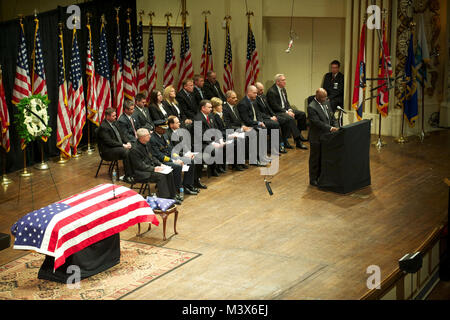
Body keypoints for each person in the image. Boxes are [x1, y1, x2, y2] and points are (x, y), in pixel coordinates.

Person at [129, 128, 181, 204]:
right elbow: (139, 166)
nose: (150, 136)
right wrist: (154, 169)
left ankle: (172, 196)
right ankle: (165, 200)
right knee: (161, 176)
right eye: (148, 135)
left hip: (149, 168)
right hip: (140, 172)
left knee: (168, 171)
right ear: (142, 138)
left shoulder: (146, 144)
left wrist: (161, 164)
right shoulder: (135, 149)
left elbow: (152, 158)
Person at [149, 119, 198, 198]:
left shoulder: (164, 135)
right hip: (161, 161)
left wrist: (180, 157)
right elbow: (158, 155)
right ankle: (176, 189)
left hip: (171, 157)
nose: (165, 130)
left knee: (190, 161)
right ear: (157, 128)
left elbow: (171, 149)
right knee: (177, 166)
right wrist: (174, 160)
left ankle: (187, 185)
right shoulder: (152, 139)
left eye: (165, 128)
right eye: (163, 128)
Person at [266, 73, 308, 150]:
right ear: (277, 82)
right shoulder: (271, 91)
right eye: (283, 80)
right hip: (277, 112)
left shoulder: (283, 89)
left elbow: (286, 102)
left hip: (285, 110)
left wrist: (289, 109)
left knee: (302, 114)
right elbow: (275, 106)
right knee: (290, 118)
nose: (285, 81)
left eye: (285, 80)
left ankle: (299, 134)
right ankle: (298, 141)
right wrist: (287, 112)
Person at [307, 88, 339, 187]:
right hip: (316, 137)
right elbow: (317, 122)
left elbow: (332, 117)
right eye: (323, 97)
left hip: (327, 136)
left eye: (326, 97)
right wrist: (330, 128)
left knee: (323, 157)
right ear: (317, 97)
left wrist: (336, 126)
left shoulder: (326, 103)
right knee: (315, 159)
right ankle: (313, 179)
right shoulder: (312, 107)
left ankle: (322, 176)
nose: (325, 99)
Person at [167, 115, 207, 189]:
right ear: (171, 124)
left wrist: (189, 152)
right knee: (191, 161)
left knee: (199, 158)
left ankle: (196, 180)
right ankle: (187, 184)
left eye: (179, 122)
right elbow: (172, 150)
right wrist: (184, 155)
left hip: (182, 154)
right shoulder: (168, 134)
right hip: (175, 156)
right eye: (177, 122)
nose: (179, 123)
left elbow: (183, 145)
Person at [96, 108, 133, 183]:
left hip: (117, 147)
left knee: (134, 147)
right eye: (113, 116)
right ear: (107, 117)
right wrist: (123, 145)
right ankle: (127, 176)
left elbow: (122, 135)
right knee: (126, 151)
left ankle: (134, 171)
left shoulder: (115, 123)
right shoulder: (103, 127)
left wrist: (128, 142)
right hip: (108, 150)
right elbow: (109, 142)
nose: (115, 117)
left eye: (115, 115)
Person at [237, 85, 270, 167]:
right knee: (256, 133)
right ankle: (254, 159)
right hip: (248, 125)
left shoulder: (254, 101)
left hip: (255, 123)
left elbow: (258, 114)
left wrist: (260, 122)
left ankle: (262, 156)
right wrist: (258, 123)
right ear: (249, 92)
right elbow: (246, 120)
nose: (256, 94)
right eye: (254, 93)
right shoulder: (242, 104)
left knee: (263, 129)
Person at [192, 99, 224, 177]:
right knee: (214, 149)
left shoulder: (210, 116)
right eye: (209, 107)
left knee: (224, 145)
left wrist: (220, 139)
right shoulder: (198, 119)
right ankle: (212, 170)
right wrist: (213, 143)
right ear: (203, 108)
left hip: (210, 140)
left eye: (211, 107)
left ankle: (219, 167)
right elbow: (201, 136)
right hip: (200, 143)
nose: (211, 109)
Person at [254, 82, 286, 154]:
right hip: (263, 118)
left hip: (269, 116)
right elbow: (259, 113)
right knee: (275, 124)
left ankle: (284, 141)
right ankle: (277, 146)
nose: (262, 91)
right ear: (256, 89)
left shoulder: (263, 96)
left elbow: (269, 108)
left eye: (263, 90)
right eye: (260, 90)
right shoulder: (255, 99)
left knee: (285, 120)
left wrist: (273, 115)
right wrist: (270, 118)